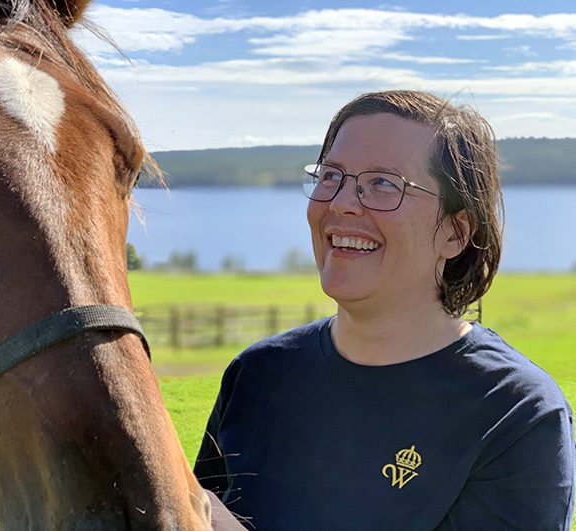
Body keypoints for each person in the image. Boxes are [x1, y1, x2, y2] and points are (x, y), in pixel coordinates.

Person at [197, 90, 575, 530]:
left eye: (382, 184)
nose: (340, 203)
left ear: (454, 234)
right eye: (331, 176)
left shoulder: (516, 414)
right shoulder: (256, 374)